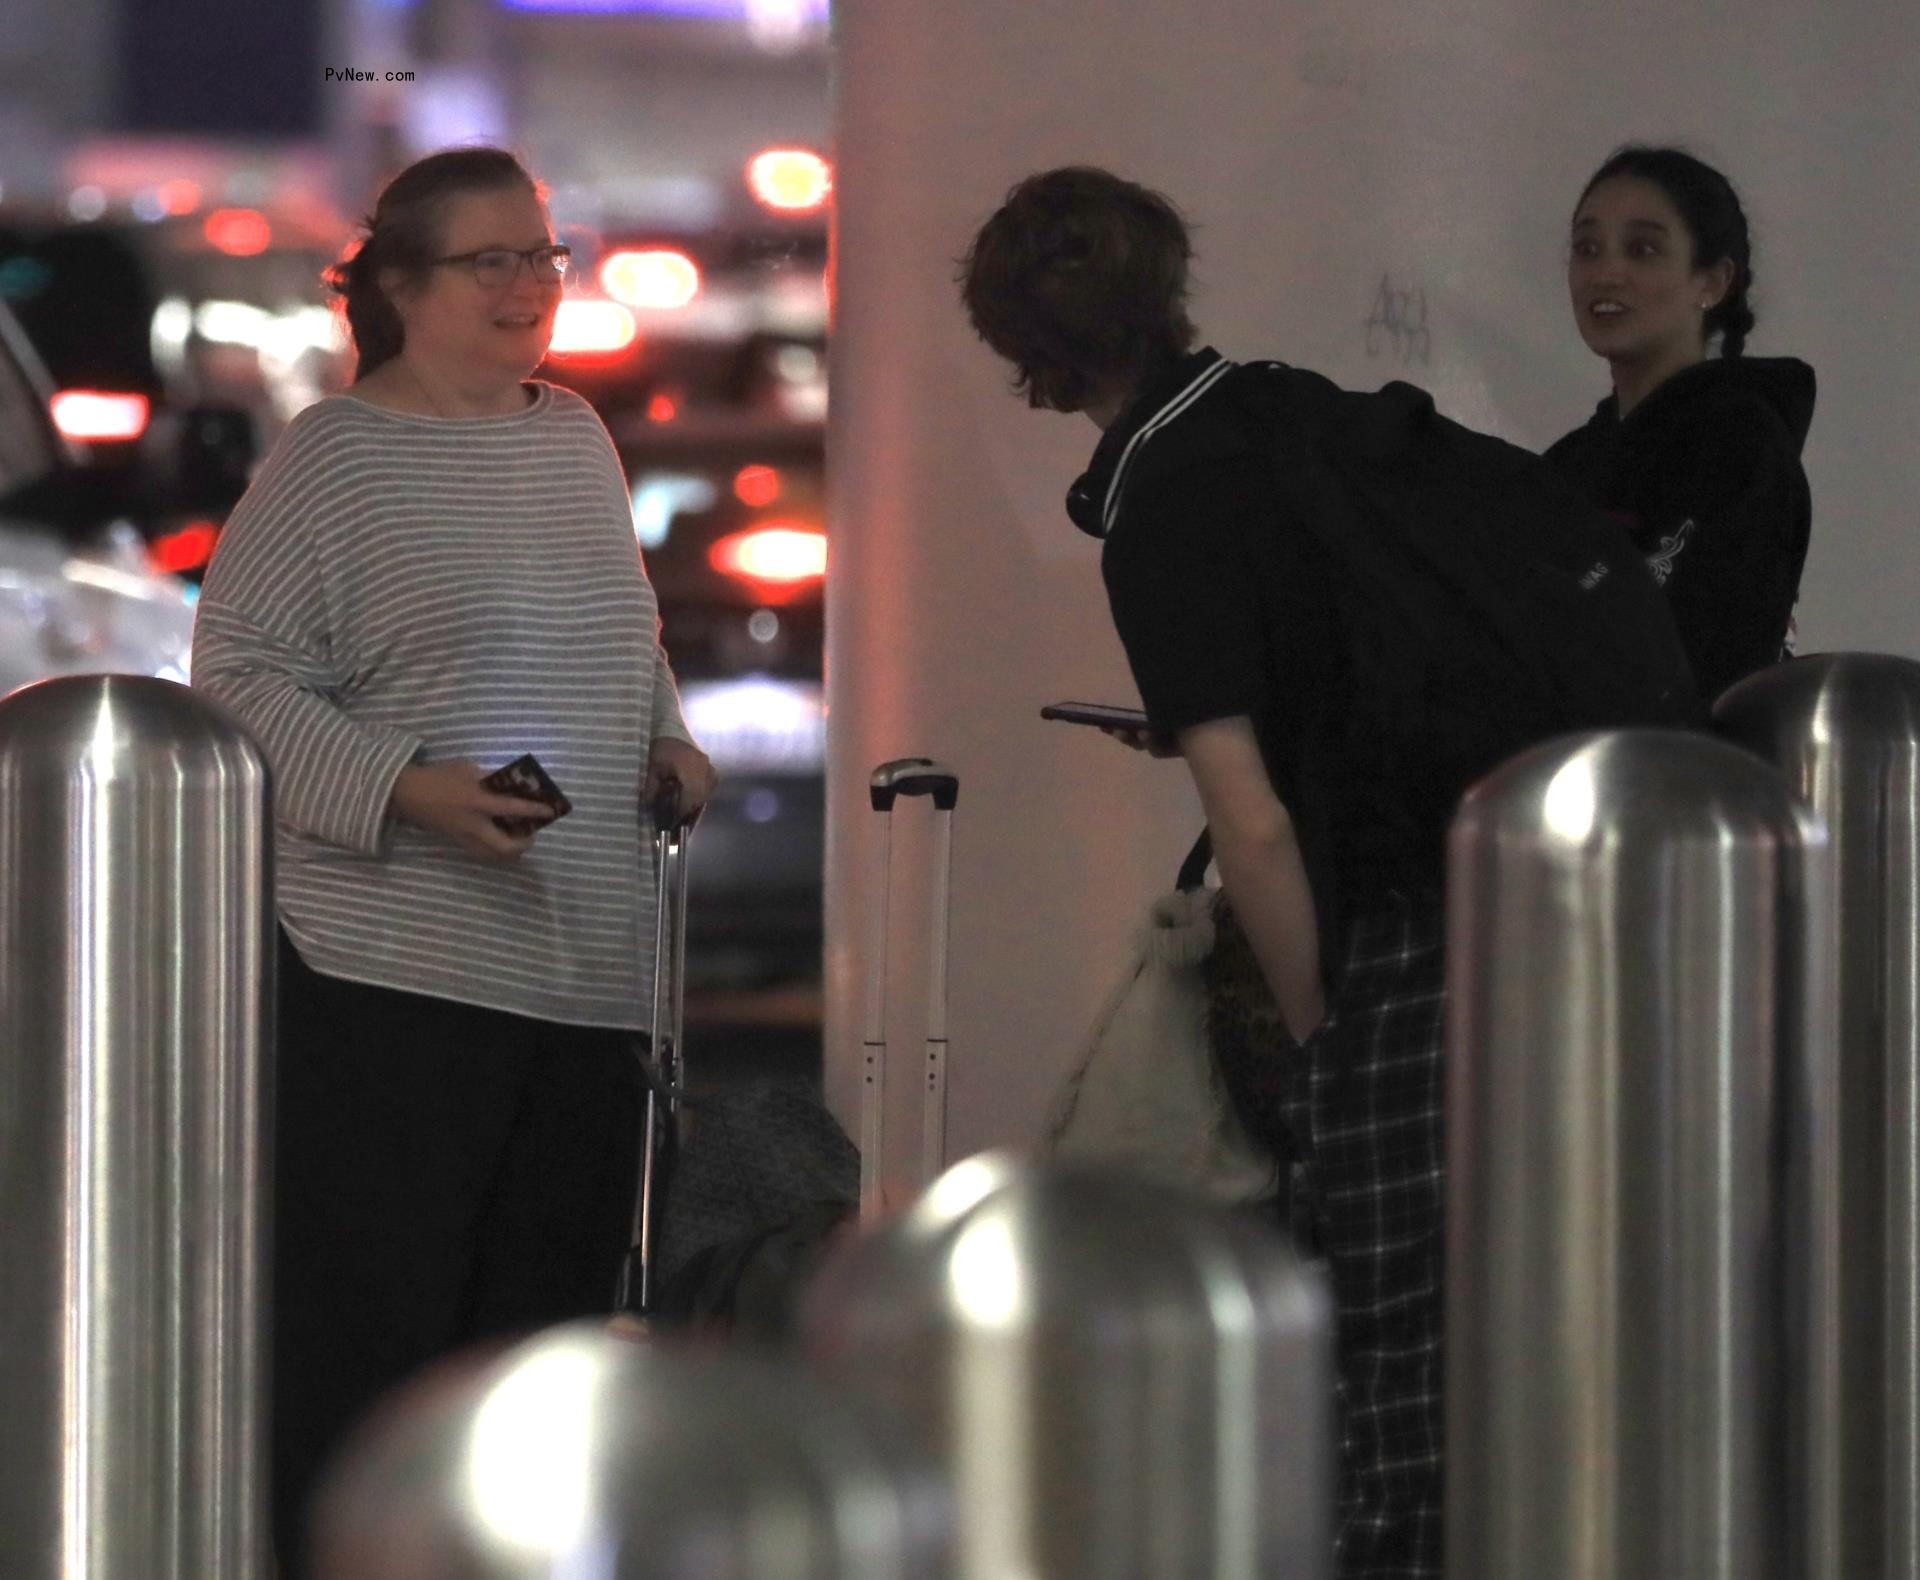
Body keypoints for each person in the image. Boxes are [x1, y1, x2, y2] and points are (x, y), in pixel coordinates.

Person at [190, 146, 716, 1575]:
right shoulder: (336, 456)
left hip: (586, 967)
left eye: (543, 258)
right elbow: (234, 673)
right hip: (393, 976)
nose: (529, 288)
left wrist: (669, 740)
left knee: (537, 1364)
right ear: (401, 289)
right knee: (376, 1353)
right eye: (492, 262)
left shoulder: (574, 438)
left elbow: (628, 632)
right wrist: (405, 790)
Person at [960, 166, 1449, 1579]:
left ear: (1026, 352)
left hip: (1392, 948)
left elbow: (1256, 824)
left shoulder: (1166, 504)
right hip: (1517, 900)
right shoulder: (1286, 414)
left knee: (1379, 1409)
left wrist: (1315, 1042)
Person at [1546, 145, 1815, 702]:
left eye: (1642, 249)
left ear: (1712, 282)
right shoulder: (1563, 468)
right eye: (1587, 249)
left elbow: (1692, 667)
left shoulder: (1740, 449)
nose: (1607, 272)